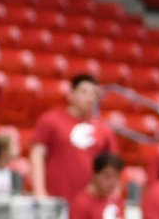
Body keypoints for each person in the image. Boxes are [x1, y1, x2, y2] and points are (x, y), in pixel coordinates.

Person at [30, 74, 120, 202]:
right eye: (84, 92)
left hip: (89, 204)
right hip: (56, 199)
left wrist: (112, 197)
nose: (89, 97)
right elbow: (37, 155)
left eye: (93, 94)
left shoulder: (104, 130)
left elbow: (113, 167)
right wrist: (39, 192)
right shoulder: (51, 120)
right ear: (71, 94)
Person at [68, 152, 126, 219]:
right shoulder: (81, 203)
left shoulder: (116, 199)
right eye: (107, 176)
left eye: (116, 177)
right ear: (95, 174)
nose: (112, 182)